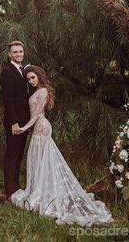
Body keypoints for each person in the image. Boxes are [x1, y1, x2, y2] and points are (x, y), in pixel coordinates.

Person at [11, 65, 113, 226]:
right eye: (28, 79)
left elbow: (37, 114)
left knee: (42, 161)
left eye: (33, 77)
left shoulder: (43, 91)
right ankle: (41, 190)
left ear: (39, 76)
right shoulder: (37, 91)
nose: (31, 81)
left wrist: (24, 127)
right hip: (38, 127)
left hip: (41, 126)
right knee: (38, 160)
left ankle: (43, 193)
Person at [0, 40, 30, 200]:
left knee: (18, 156)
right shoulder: (7, 71)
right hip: (15, 122)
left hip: (25, 121)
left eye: (20, 51)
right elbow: (8, 100)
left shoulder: (23, 70)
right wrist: (14, 122)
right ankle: (10, 193)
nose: (18, 54)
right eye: (15, 52)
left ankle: (16, 190)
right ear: (9, 54)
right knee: (12, 155)